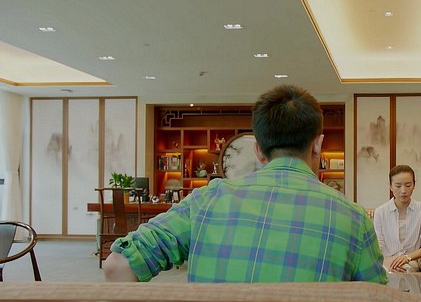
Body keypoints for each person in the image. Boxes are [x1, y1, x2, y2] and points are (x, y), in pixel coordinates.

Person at [103, 84, 387, 284]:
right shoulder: (354, 218)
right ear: (318, 145)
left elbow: (117, 266)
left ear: (258, 150)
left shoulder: (207, 199)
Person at [373, 165, 421, 272]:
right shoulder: (380, 211)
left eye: (408, 185)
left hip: (411, 261)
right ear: (390, 186)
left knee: (406, 270)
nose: (403, 191)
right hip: (387, 262)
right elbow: (377, 245)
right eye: (398, 186)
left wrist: (407, 258)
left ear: (414, 185)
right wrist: (386, 262)